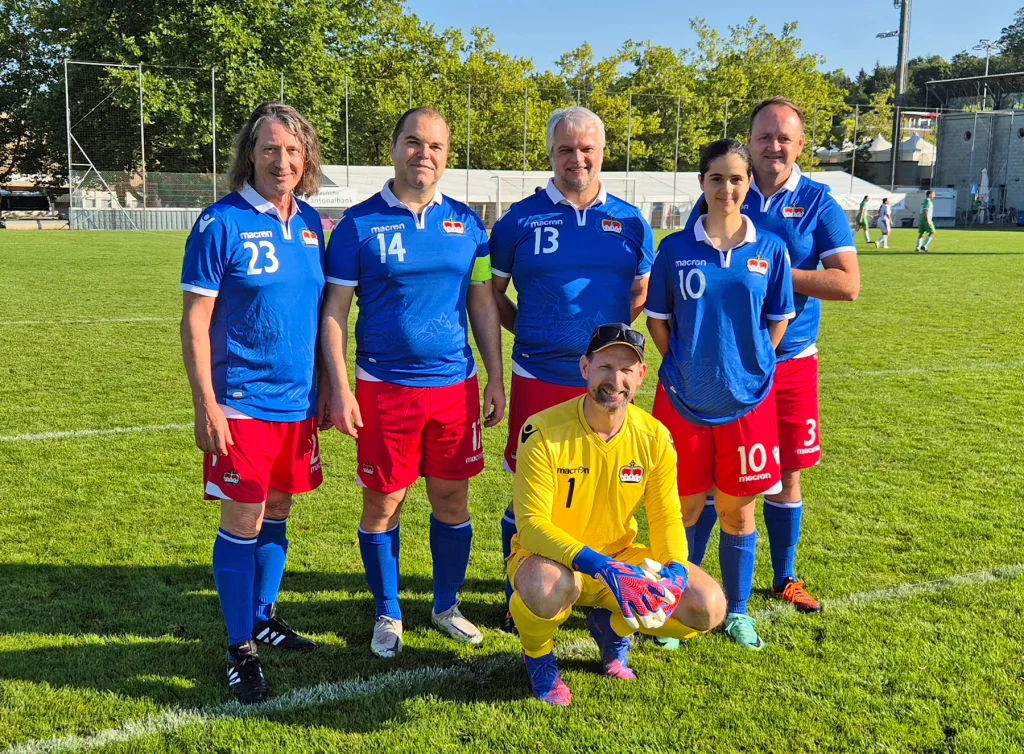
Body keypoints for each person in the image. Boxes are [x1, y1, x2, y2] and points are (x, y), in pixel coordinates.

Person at [321, 107, 505, 659]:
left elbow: (482, 303)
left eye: (435, 147)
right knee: (384, 503)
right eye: (413, 142)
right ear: (394, 146)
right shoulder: (357, 224)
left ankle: (446, 605)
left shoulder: (469, 225)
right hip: (384, 388)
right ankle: (388, 610)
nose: (423, 154)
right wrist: (340, 387)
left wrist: (496, 375)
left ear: (447, 157)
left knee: (452, 498)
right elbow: (334, 311)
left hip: (454, 388)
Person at [683, 97, 859, 616]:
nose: (773, 146)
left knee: (786, 474)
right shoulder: (726, 187)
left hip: (790, 363)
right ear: (750, 141)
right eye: (764, 137)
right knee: (718, 477)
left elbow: (848, 284)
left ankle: (785, 575)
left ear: (801, 144)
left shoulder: (819, 202)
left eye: (784, 137)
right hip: (726, 365)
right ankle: (698, 581)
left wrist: (772, 270)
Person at [180, 103, 327, 704]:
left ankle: (264, 615)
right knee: (242, 518)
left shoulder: (314, 224)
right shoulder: (221, 223)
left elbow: (321, 316)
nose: (282, 161)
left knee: (280, 510)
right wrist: (207, 406)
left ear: (306, 158)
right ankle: (240, 646)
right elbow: (195, 319)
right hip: (241, 403)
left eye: (293, 151)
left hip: (299, 404)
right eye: (271, 149)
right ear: (251, 154)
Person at [490, 106, 655, 634]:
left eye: (587, 149)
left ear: (602, 153)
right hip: (537, 375)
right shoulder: (518, 219)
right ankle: (522, 585)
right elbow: (493, 297)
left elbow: (639, 293)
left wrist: (601, 350)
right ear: (551, 153)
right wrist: (537, 332)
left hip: (607, 380)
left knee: (603, 484)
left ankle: (595, 589)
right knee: (530, 486)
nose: (576, 158)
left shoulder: (632, 222)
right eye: (566, 148)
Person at [509, 323, 726, 706]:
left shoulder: (655, 437)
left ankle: (611, 627)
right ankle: (539, 656)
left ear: (641, 375)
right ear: (584, 368)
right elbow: (531, 525)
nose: (616, 379)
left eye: (627, 369)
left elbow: (665, 517)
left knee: (706, 606)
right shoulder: (542, 430)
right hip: (553, 560)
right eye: (606, 366)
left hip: (620, 559)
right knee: (548, 588)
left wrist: (674, 567)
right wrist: (598, 565)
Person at [647, 139, 795, 650]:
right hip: (682, 400)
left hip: (747, 403)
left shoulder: (771, 248)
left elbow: (776, 322)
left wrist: (747, 364)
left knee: (738, 512)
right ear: (702, 184)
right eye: (717, 179)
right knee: (681, 512)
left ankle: (736, 611)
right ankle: (675, 609)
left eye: (736, 179)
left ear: (748, 183)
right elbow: (660, 324)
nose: (727, 188)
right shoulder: (675, 248)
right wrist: (688, 366)